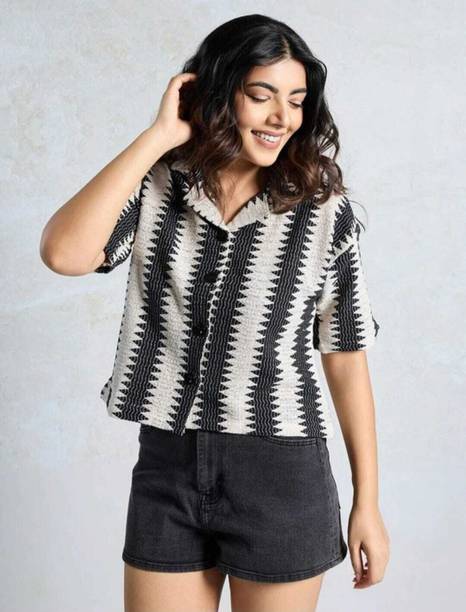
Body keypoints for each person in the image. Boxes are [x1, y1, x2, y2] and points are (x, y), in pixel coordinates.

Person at [40, 13, 390, 612]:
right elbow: (63, 253)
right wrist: (157, 137)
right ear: (219, 92)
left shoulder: (325, 214)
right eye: (262, 95)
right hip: (168, 464)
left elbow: (346, 356)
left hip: (282, 470)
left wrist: (368, 503)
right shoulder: (157, 187)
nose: (282, 117)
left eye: (297, 101)